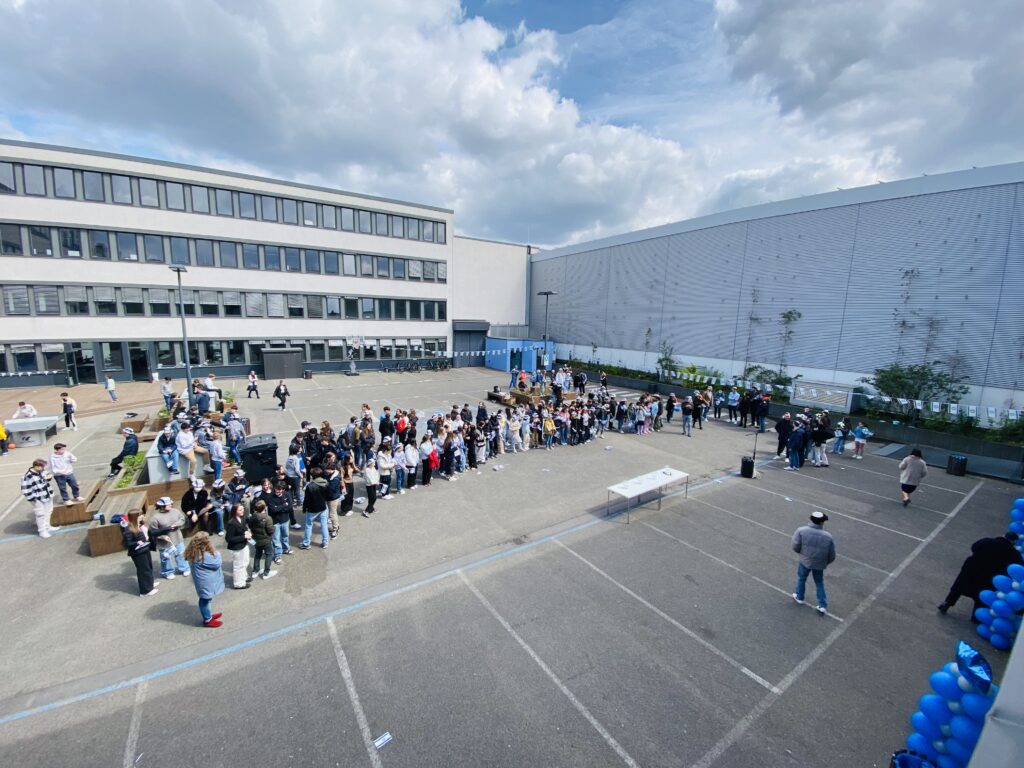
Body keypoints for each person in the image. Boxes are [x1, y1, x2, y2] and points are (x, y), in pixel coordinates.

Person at [938, 533, 1023, 619]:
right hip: (989, 577)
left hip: (972, 570)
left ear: (1004, 536)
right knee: (981, 596)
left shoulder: (987, 541)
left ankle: (947, 603)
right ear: (1014, 541)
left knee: (958, 588)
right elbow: (1017, 566)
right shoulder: (1014, 553)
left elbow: (974, 547)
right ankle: (976, 616)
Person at [791, 511, 836, 615]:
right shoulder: (828, 536)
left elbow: (795, 545)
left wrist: (802, 554)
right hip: (819, 564)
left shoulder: (801, 531)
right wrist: (825, 562)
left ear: (811, 519)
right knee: (819, 583)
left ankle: (800, 596)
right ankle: (822, 605)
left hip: (805, 561)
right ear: (822, 522)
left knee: (801, 578)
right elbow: (832, 555)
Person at [185, 532, 225, 628]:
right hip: (205, 582)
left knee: (206, 598)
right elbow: (217, 563)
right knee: (205, 599)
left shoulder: (194, 551)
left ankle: (209, 615)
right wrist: (217, 553)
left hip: (202, 581)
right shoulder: (202, 556)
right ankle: (207, 620)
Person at [148, 496, 190, 579]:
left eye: (171, 503)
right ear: (162, 506)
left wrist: (176, 524)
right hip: (164, 542)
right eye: (168, 504)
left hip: (177, 538)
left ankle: (184, 568)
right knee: (166, 557)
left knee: (180, 554)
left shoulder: (175, 511)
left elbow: (182, 519)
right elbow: (153, 531)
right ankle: (167, 572)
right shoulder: (155, 518)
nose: (171, 505)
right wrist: (162, 536)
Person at [120, 510, 158, 597]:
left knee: (149, 567)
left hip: (145, 549)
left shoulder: (138, 525)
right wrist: (137, 543)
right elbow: (128, 543)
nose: (142, 516)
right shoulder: (128, 529)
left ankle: (150, 584)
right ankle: (145, 591)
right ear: (135, 517)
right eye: (140, 515)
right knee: (143, 571)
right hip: (138, 553)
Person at [21, 458, 57, 538]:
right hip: (38, 498)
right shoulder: (27, 476)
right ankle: (42, 531)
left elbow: (47, 478)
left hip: (47, 495)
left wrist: (49, 477)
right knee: (40, 514)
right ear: (36, 466)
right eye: (42, 467)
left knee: (48, 511)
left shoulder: (42, 471)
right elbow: (25, 490)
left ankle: (48, 526)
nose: (43, 468)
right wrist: (34, 499)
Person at [225, 502, 253, 589]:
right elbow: (229, 539)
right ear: (235, 511)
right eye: (240, 510)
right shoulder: (232, 523)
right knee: (238, 566)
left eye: (243, 509)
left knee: (245, 562)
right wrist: (243, 536)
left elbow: (243, 528)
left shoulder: (242, 518)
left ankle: (244, 577)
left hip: (243, 545)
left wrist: (246, 533)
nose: (243, 511)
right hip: (236, 548)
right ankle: (238, 583)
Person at [301, 466, 330, 548]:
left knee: (308, 525)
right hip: (323, 507)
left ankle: (306, 543)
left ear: (312, 476)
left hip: (312, 509)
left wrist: (304, 508)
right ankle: (325, 542)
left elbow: (306, 500)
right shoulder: (326, 483)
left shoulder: (310, 486)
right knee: (324, 525)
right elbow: (327, 495)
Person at [249, 499, 277, 580]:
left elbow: (250, 526)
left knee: (257, 554)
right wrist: (274, 527)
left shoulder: (252, 517)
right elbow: (271, 530)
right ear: (264, 508)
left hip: (256, 540)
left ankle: (255, 571)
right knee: (269, 554)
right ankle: (266, 573)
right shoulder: (268, 518)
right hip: (266, 540)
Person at [266, 483, 294, 561]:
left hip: (285, 520)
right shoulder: (270, 497)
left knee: (285, 536)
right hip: (275, 522)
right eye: (276, 491)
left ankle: (285, 548)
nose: (277, 493)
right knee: (276, 539)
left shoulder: (287, 495)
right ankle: (277, 555)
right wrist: (284, 505)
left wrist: (279, 507)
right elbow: (273, 510)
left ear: (283, 490)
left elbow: (289, 507)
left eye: (279, 491)